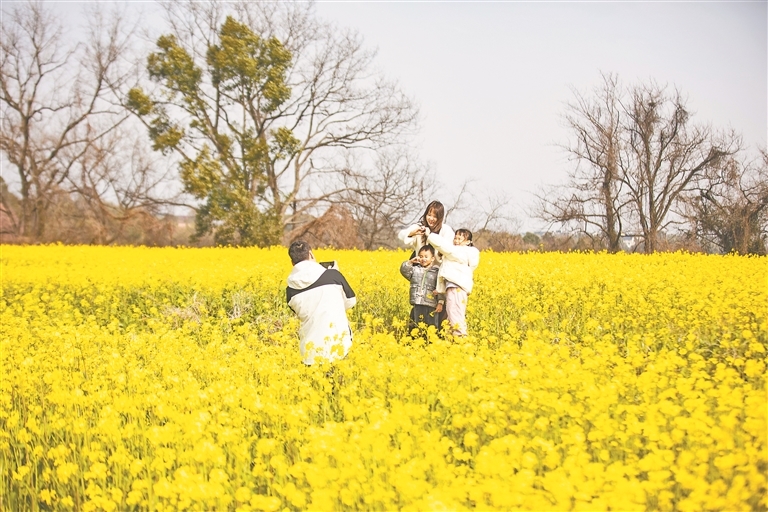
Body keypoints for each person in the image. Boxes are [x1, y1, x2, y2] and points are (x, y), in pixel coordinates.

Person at [286, 240, 356, 365]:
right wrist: (336, 274)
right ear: (311, 255)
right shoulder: (333, 276)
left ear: (292, 263)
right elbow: (350, 302)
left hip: (310, 354)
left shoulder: (290, 291)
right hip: (339, 349)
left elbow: (301, 312)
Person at [426, 228, 480, 337]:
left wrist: (429, 235)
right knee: (452, 314)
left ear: (468, 242)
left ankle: (461, 340)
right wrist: (441, 289)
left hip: (456, 288)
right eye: (455, 238)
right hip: (454, 287)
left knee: (455, 314)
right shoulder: (459, 254)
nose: (456, 241)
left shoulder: (463, 251)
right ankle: (453, 341)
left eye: (460, 239)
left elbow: (446, 248)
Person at [400, 244, 444, 335]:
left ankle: (431, 343)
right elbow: (404, 270)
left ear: (432, 259)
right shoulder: (415, 270)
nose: (423, 259)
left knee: (432, 327)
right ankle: (417, 343)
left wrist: (440, 302)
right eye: (421, 256)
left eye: (426, 256)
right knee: (417, 325)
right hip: (418, 302)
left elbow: (440, 288)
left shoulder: (436, 273)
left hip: (431, 304)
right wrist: (410, 262)